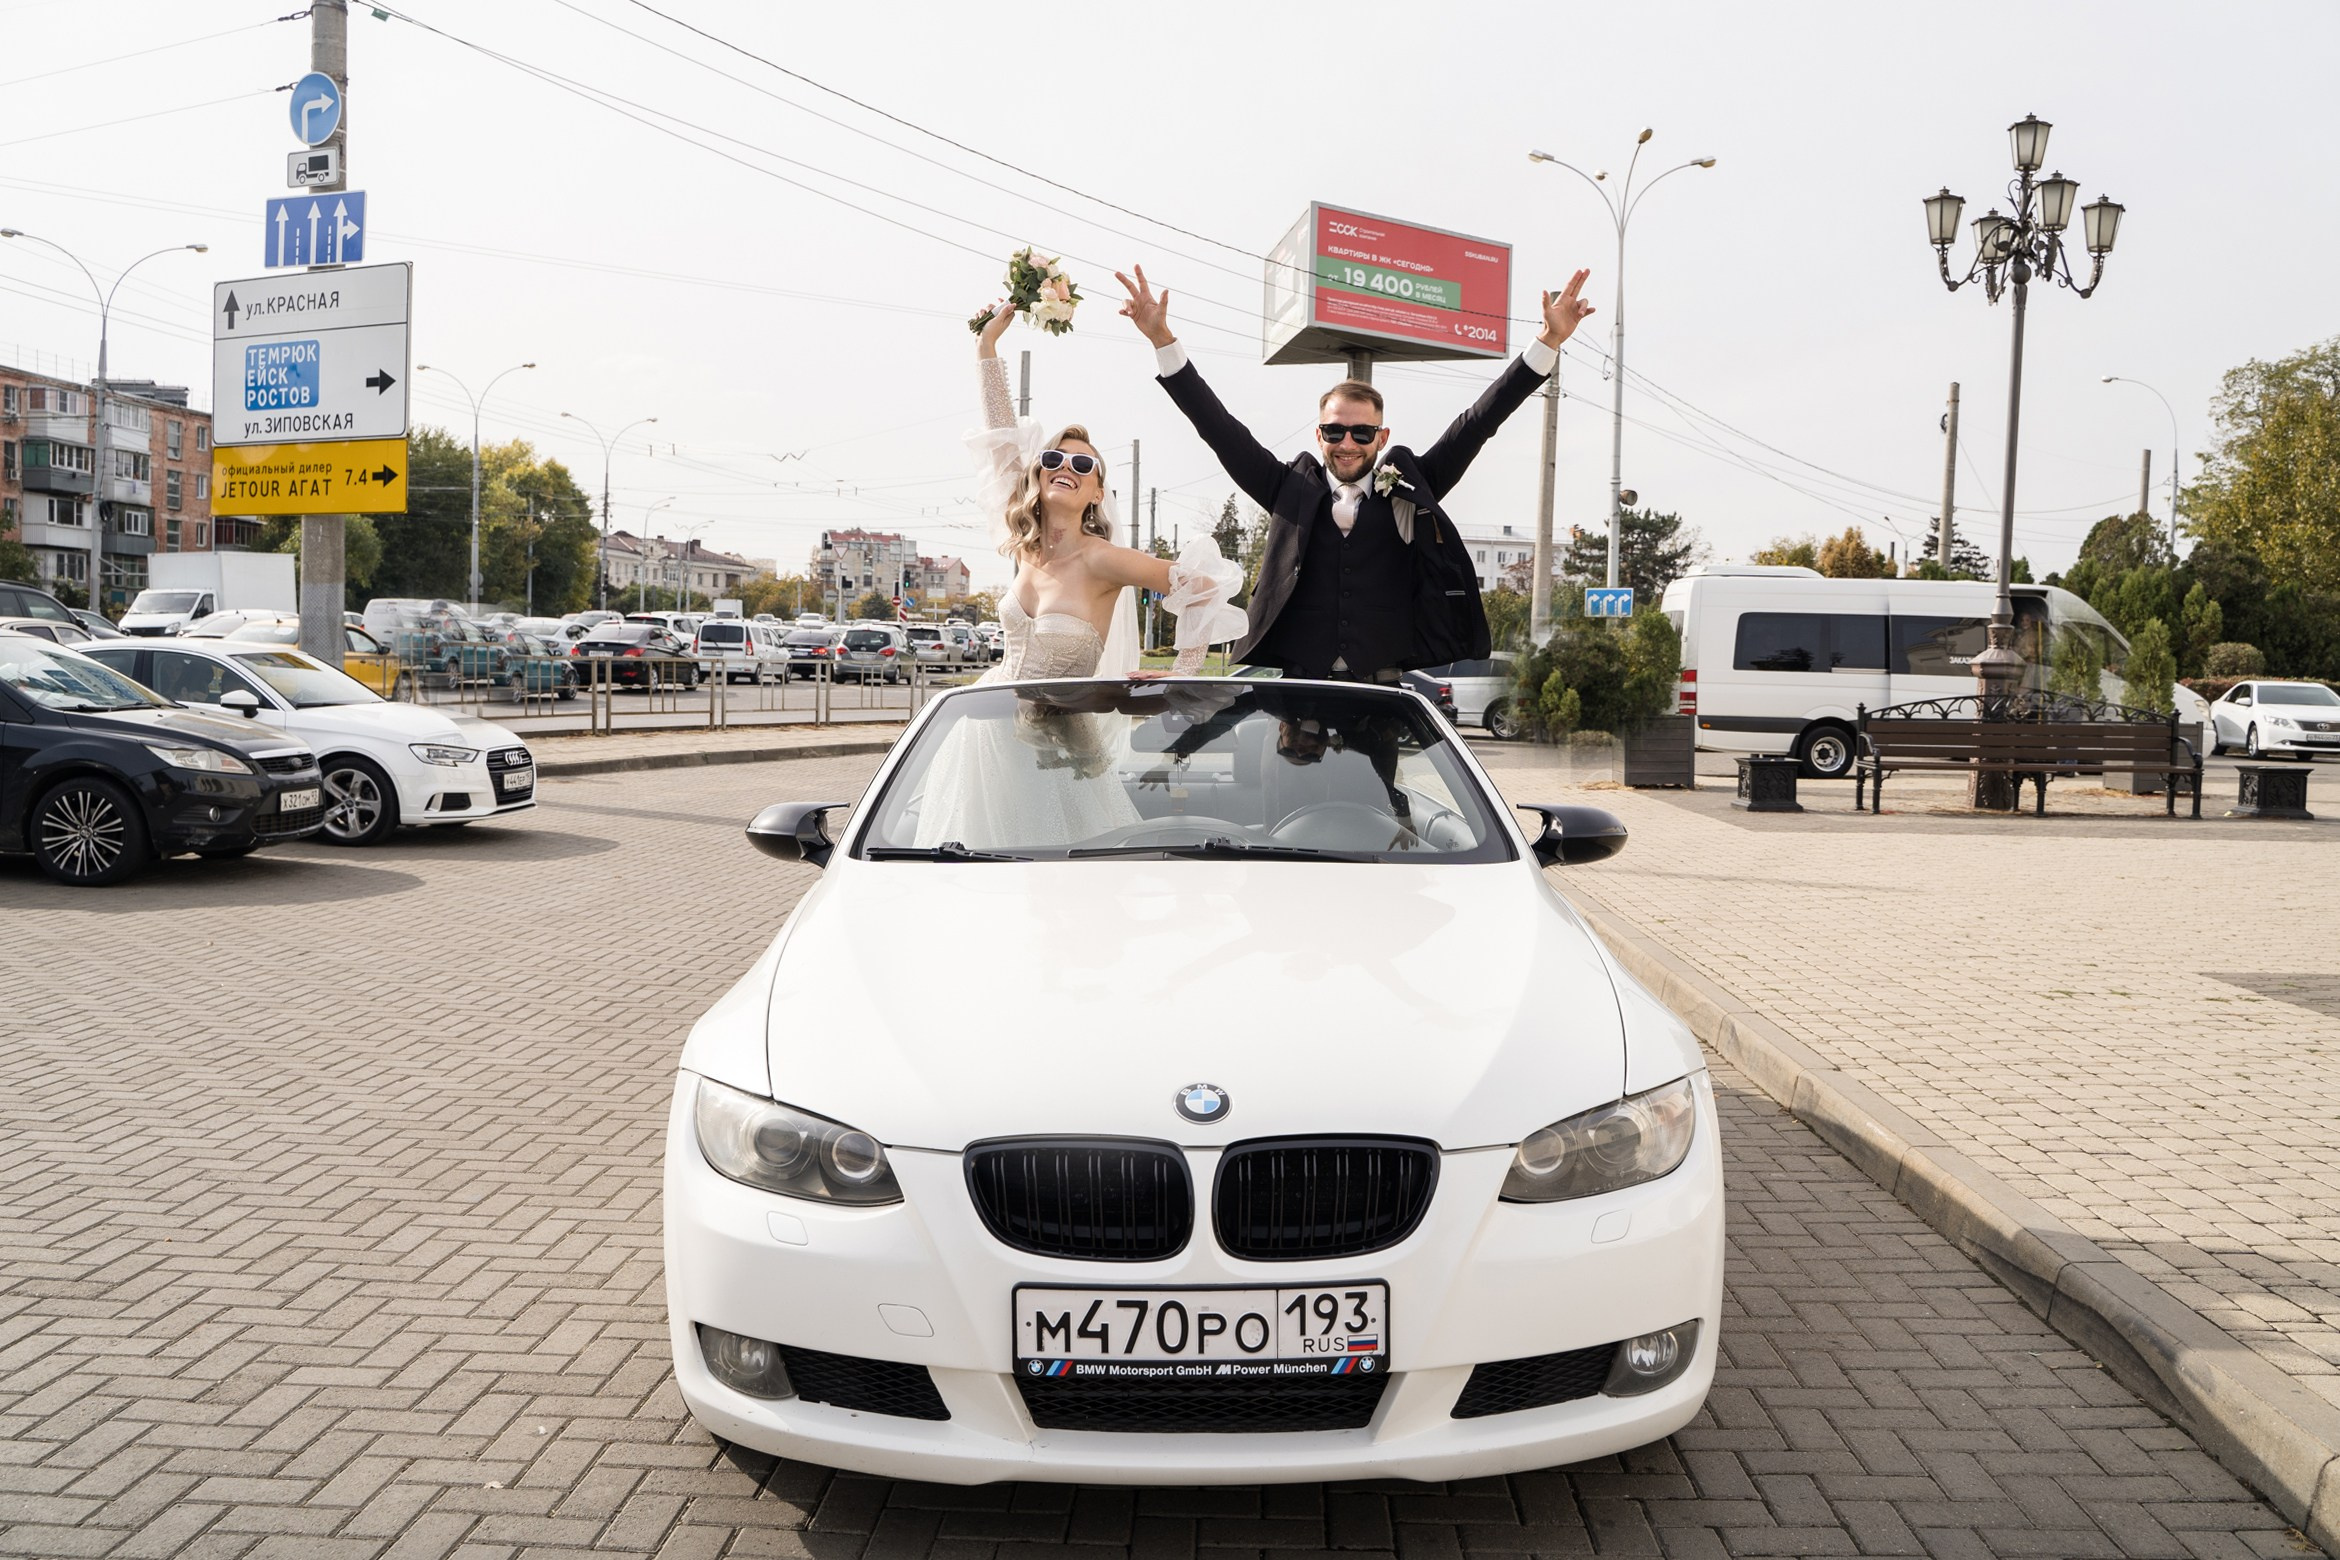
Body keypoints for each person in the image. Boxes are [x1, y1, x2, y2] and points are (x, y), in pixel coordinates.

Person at [1117, 265, 1596, 681]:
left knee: (1383, 792)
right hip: (1295, 691)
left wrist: (1548, 341)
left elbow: (1479, 421)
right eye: (1335, 431)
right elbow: (1217, 427)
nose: (1347, 443)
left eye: (1362, 433)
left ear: (1382, 438)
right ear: (1319, 434)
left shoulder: (1414, 487)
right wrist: (1163, 340)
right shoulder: (1287, 489)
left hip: (1379, 691)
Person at [907, 305, 1247, 849]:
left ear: (1095, 494)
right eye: (1054, 459)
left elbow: (1206, 586)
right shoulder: (1025, 552)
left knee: (1063, 878)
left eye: (1084, 466)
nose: (1067, 467)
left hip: (1058, 752)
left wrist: (1179, 677)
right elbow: (999, 437)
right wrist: (986, 348)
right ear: (1038, 475)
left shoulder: (1102, 559)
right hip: (989, 739)